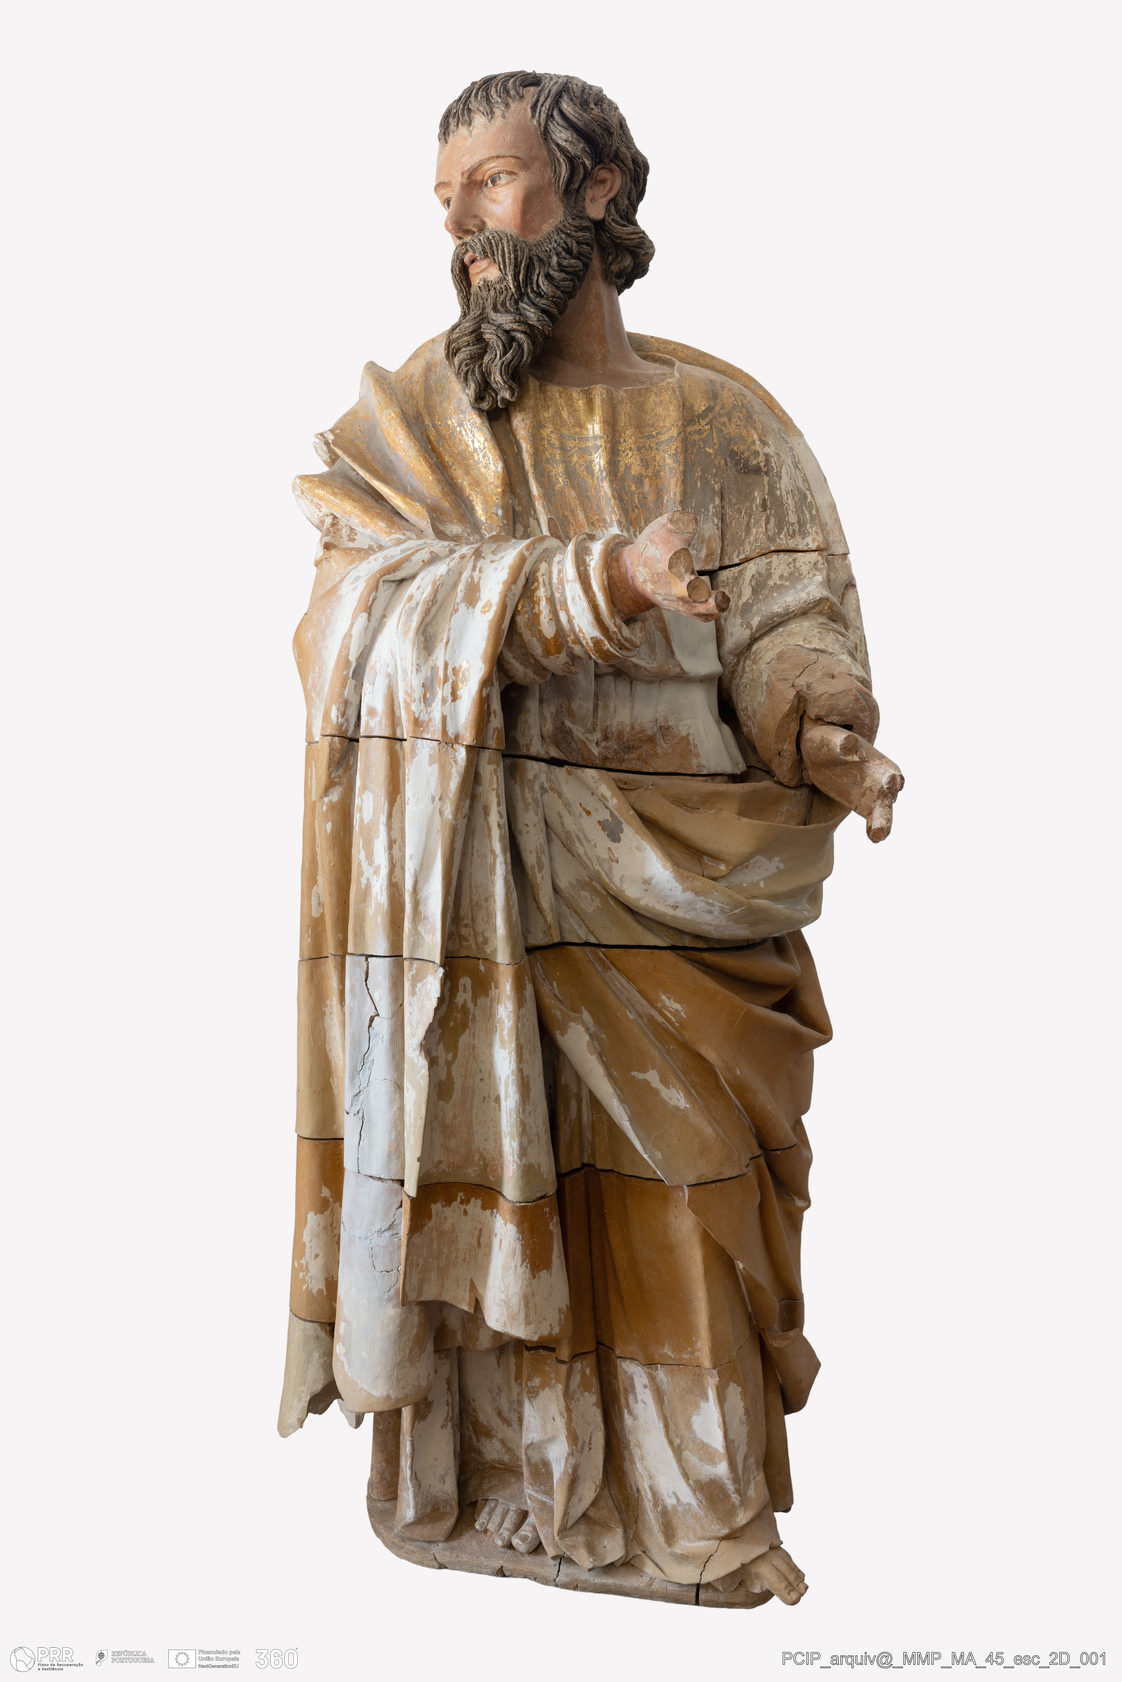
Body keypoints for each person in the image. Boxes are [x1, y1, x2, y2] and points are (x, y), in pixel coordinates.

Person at [276, 70, 902, 1609]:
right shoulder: (414, 425)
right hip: (481, 899)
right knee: (506, 1186)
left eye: (492, 182)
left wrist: (817, 720)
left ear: (599, 189)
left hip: (686, 897)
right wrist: (590, 581)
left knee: (693, 1196)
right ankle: (516, 1491)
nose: (465, 227)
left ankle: (698, 1513)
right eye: (448, 200)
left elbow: (788, 611)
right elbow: (347, 628)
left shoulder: (720, 419)